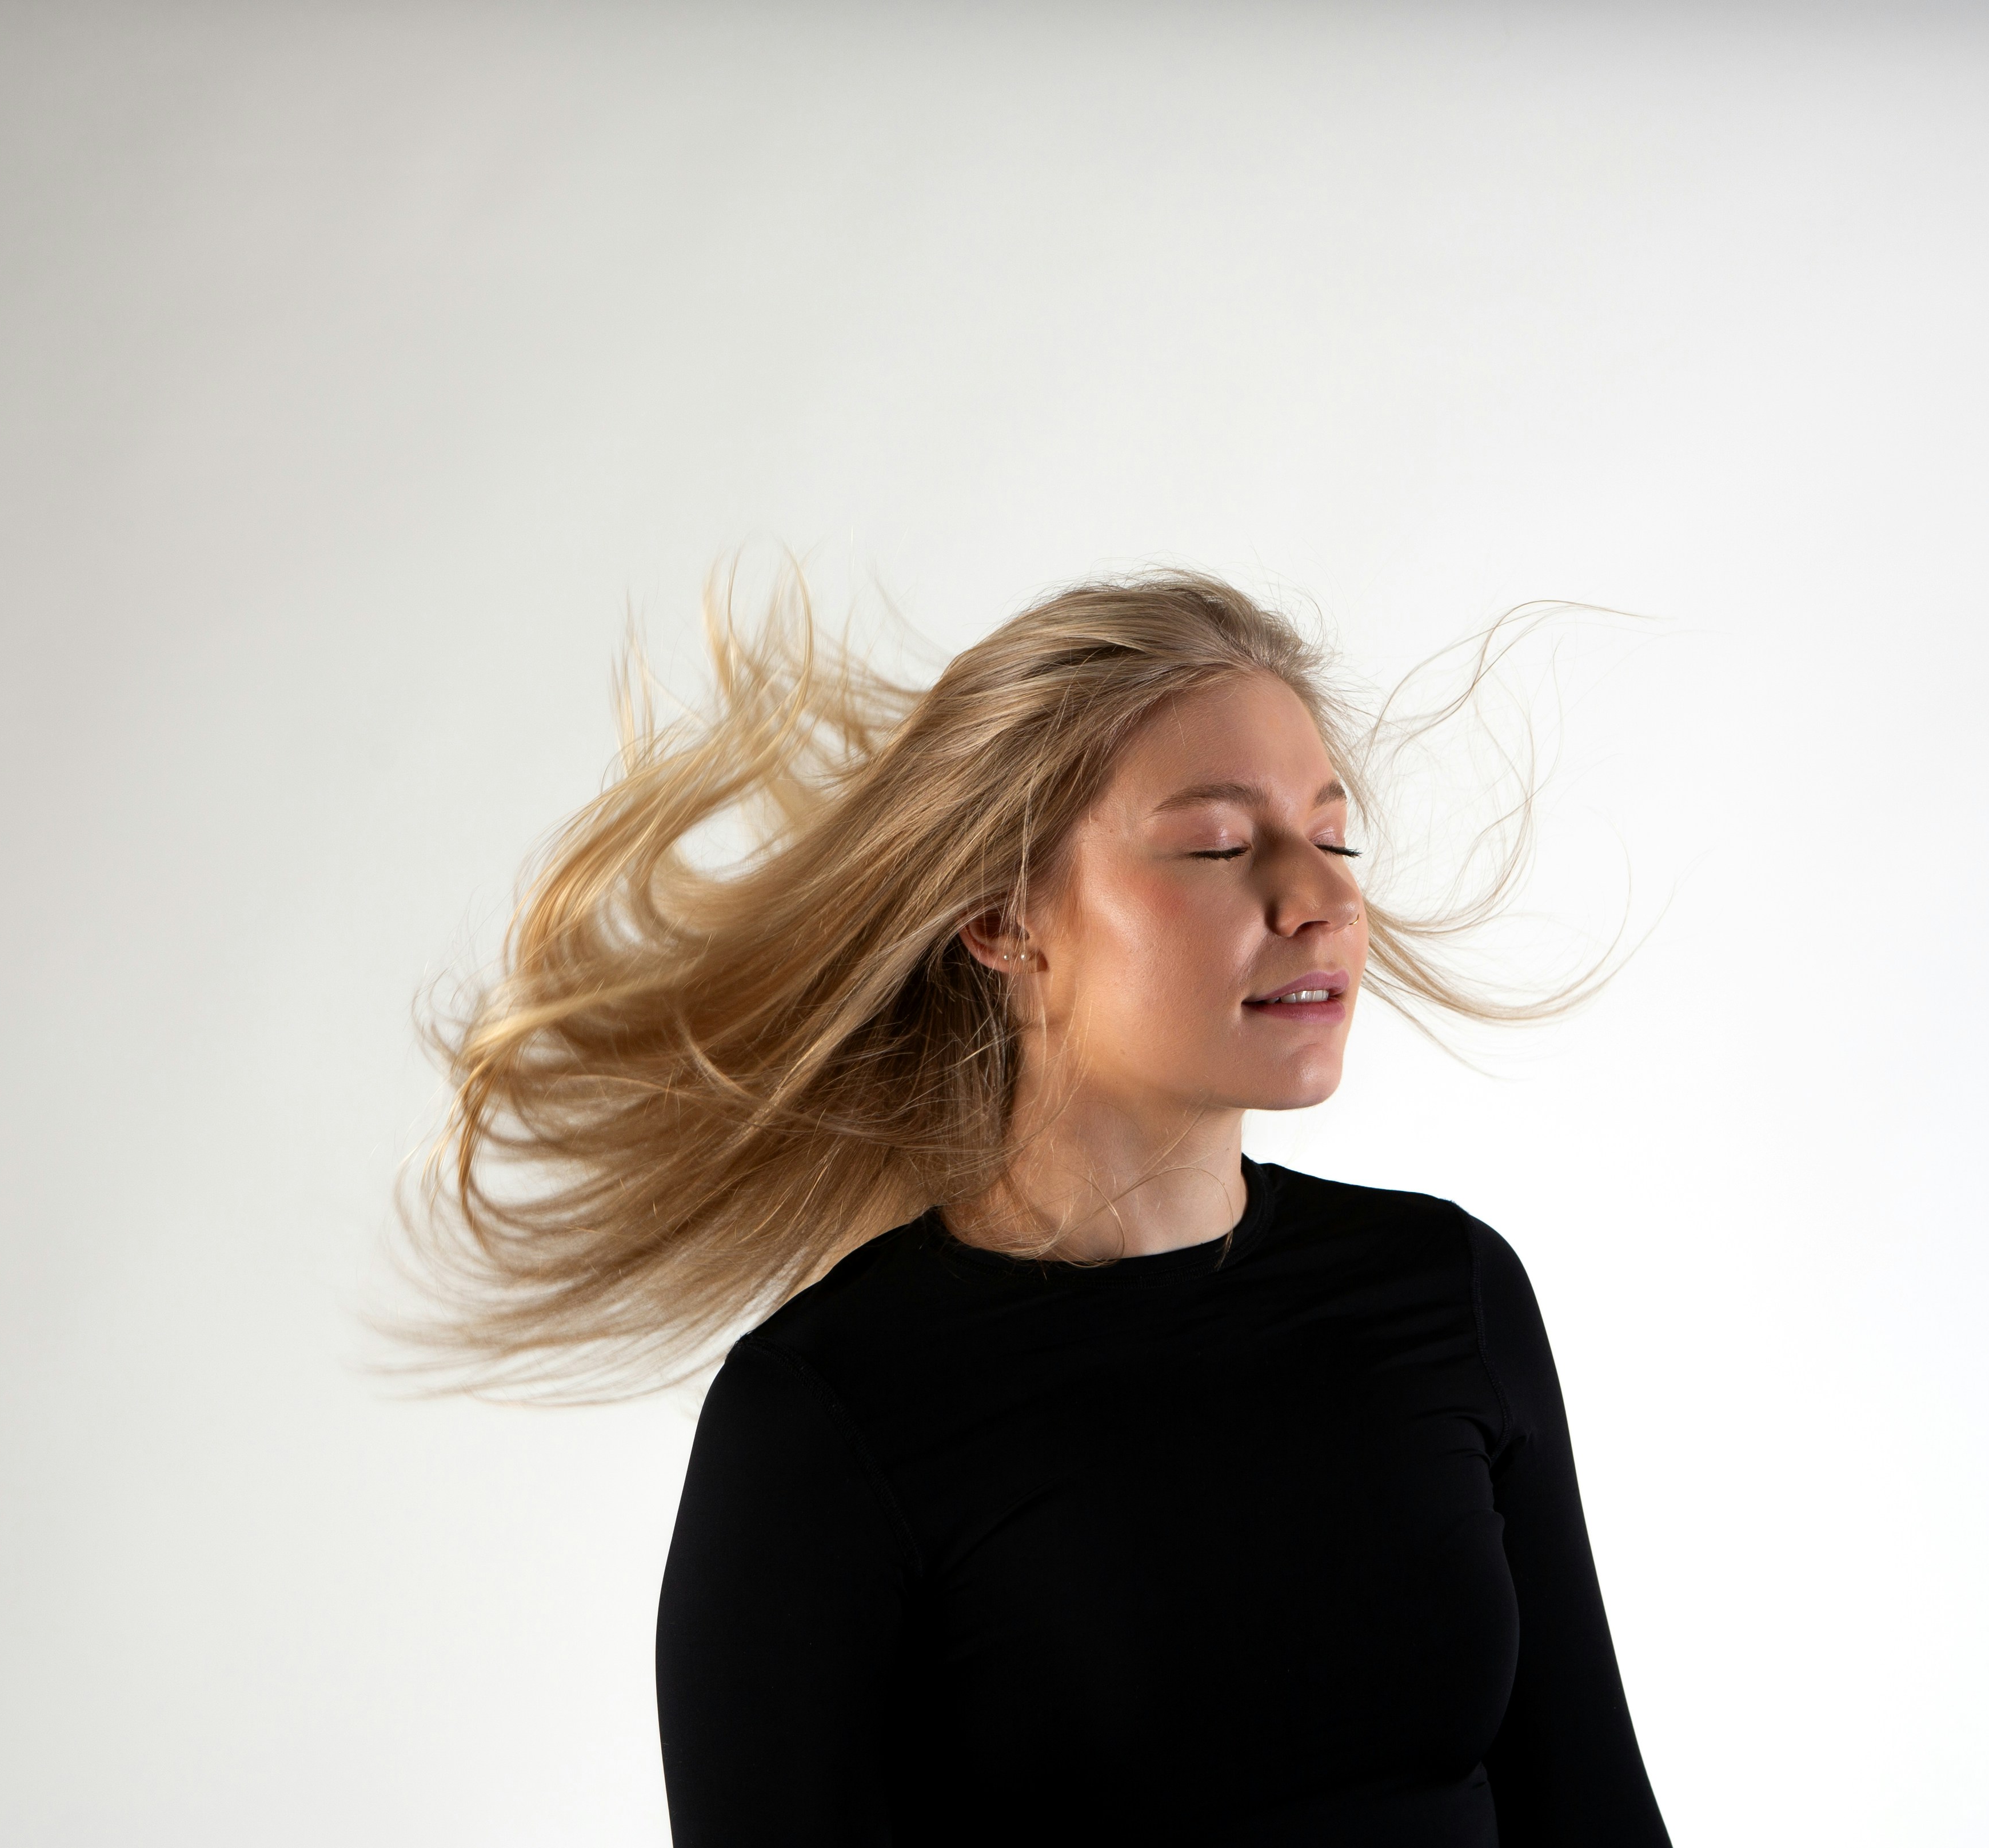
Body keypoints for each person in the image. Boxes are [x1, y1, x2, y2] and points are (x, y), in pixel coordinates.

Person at [416, 571, 1668, 1846]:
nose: (1326, 899)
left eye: (1333, 838)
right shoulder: (823, 1417)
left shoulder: (1447, 1290)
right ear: (1003, 920)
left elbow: (1596, 1814)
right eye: (1220, 845)